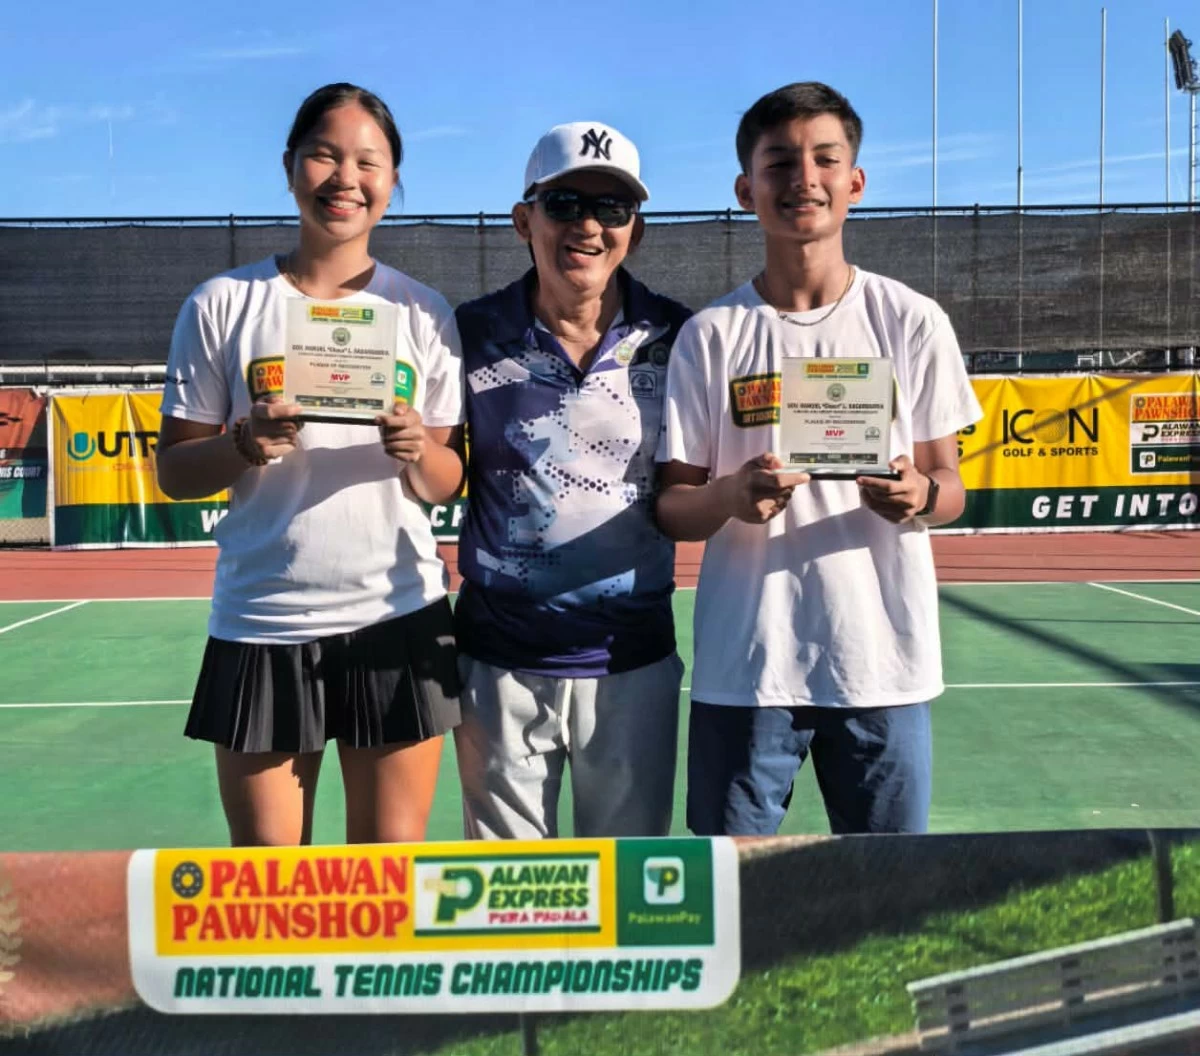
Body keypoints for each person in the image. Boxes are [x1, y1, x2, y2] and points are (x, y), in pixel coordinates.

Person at [656, 82, 982, 836]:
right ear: (746, 189)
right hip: (746, 669)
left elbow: (951, 487)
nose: (804, 177)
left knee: (885, 904)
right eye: (779, 163)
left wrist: (918, 496)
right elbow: (673, 506)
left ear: (854, 182)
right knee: (731, 904)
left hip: (882, 667)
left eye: (825, 158)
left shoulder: (911, 320)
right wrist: (732, 496)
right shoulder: (712, 334)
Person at [155, 83, 466, 847]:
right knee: (268, 892)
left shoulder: (424, 313)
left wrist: (416, 449)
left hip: (397, 616)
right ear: (290, 165)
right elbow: (175, 470)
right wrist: (241, 445)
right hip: (261, 621)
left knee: (386, 890)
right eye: (325, 155)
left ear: (393, 181)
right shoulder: (221, 304)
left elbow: (447, 479)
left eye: (368, 161)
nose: (345, 178)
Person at [452, 121, 692, 839]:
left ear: (635, 231)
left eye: (611, 209)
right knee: (506, 902)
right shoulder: (467, 330)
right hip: (497, 662)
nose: (587, 225)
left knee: (627, 893)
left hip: (632, 661)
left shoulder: (678, 337)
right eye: (564, 204)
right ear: (524, 220)